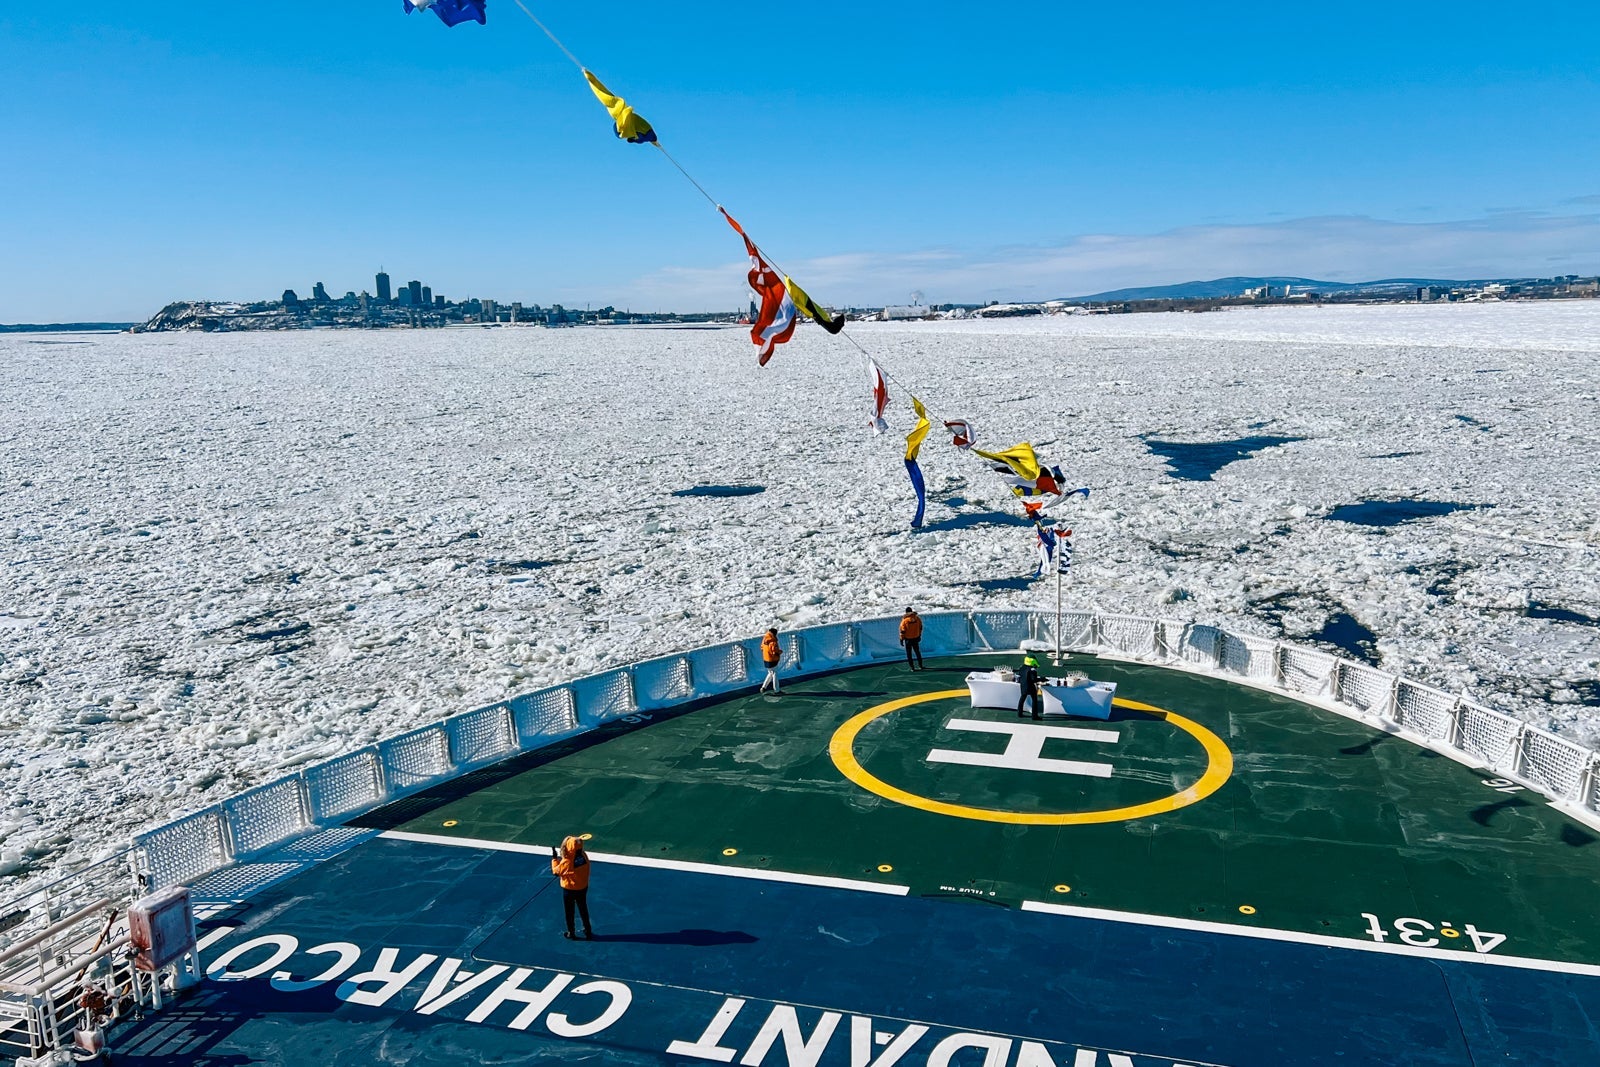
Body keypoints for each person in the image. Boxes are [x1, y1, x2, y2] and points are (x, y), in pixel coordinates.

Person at [551, 835, 594, 940]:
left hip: (570, 890)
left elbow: (556, 871)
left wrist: (554, 859)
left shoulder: (567, 861)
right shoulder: (583, 856)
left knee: (569, 912)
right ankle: (588, 930)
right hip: (583, 887)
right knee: (583, 909)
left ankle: (571, 932)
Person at [1016, 654, 1043, 720]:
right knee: (1034, 700)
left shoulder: (1022, 667)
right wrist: (1041, 679)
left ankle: (1019, 713)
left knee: (1022, 699)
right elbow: (1034, 679)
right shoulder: (1032, 669)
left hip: (1023, 685)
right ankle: (1034, 716)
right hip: (1030, 686)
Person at [758, 628, 782, 694]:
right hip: (772, 660)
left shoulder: (765, 639)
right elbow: (774, 651)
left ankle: (763, 687)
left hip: (766, 659)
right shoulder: (773, 641)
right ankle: (777, 690)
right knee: (774, 674)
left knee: (770, 673)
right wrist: (779, 652)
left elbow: (762, 647)